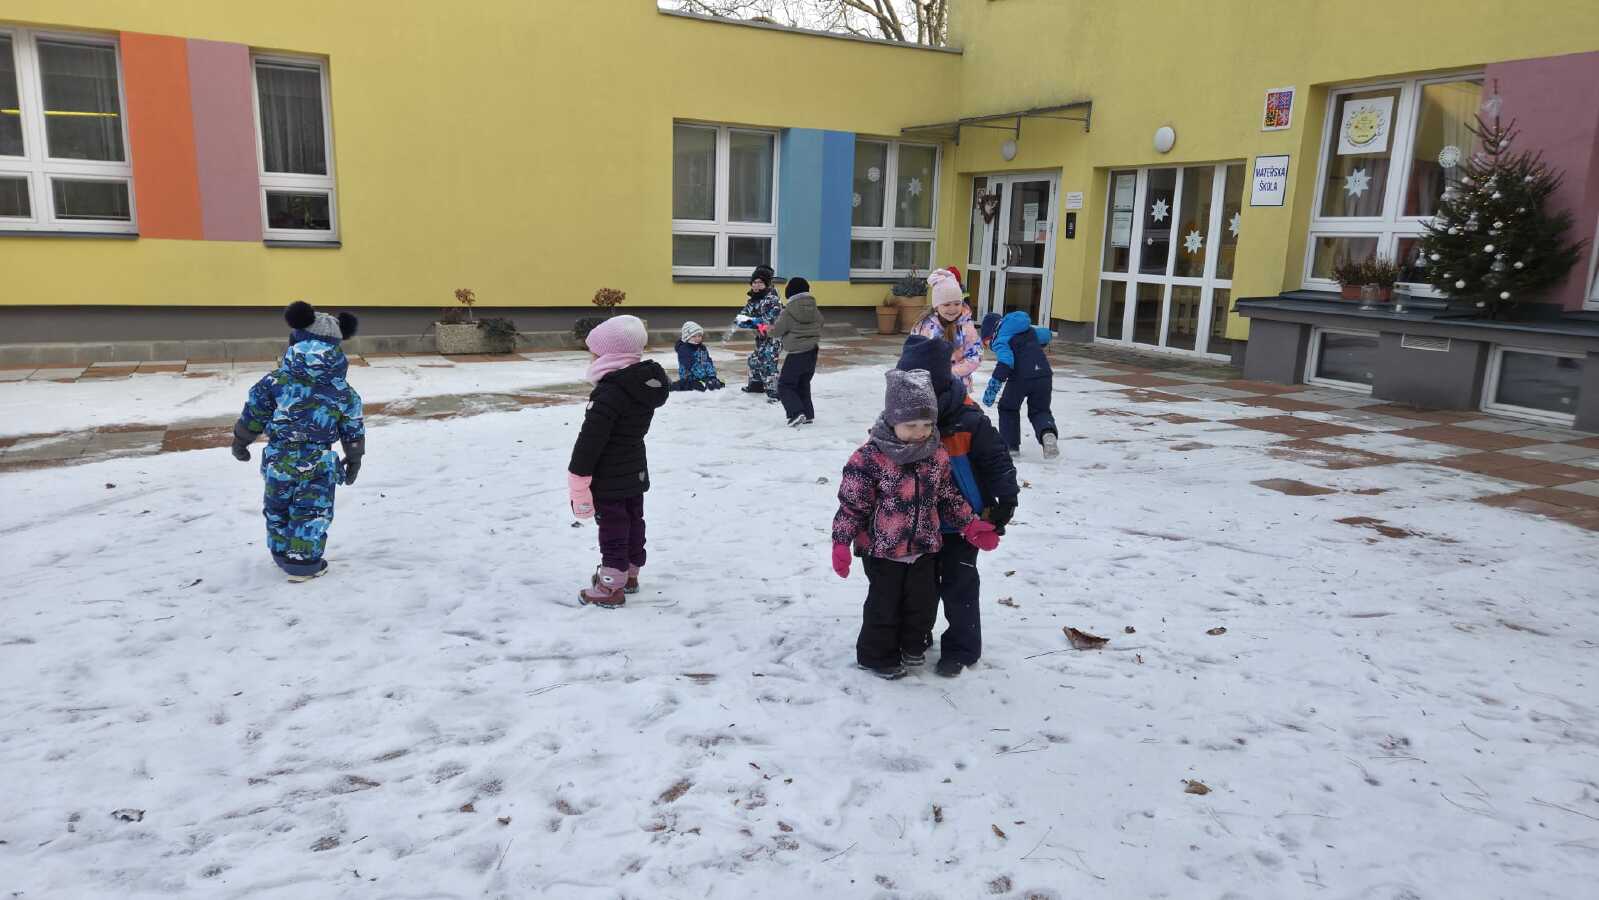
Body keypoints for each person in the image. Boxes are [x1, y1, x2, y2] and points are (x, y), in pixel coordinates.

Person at [830, 369, 1002, 680]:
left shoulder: (935, 454)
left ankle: (913, 646)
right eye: (911, 425)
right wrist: (841, 542)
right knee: (884, 607)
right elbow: (852, 505)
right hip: (882, 551)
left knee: (922, 606)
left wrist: (971, 525)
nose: (920, 432)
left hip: (924, 547)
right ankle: (877, 656)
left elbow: (947, 496)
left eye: (927, 425)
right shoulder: (869, 459)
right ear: (892, 420)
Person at [896, 335, 1019, 677]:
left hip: (962, 524)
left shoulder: (968, 419)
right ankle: (916, 637)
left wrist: (1006, 499)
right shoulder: (899, 417)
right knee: (919, 588)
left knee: (959, 584)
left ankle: (962, 648)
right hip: (917, 523)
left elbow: (996, 460)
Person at [230, 301, 365, 582]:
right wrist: (354, 458)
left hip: (279, 459)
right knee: (311, 512)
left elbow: (255, 412)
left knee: (277, 507)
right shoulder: (343, 391)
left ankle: (281, 553)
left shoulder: (274, 382)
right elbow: (352, 425)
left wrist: (241, 441)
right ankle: (303, 563)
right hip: (318, 462)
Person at [568, 315, 670, 607]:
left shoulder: (610, 392)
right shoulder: (640, 385)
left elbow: (590, 441)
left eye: (595, 353)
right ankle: (630, 573)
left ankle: (611, 586)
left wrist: (578, 476)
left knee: (613, 527)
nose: (592, 358)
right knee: (633, 520)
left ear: (610, 355)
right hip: (634, 467)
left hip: (609, 473)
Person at [980, 311, 1059, 458]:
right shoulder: (1027, 330)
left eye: (986, 342)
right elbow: (1046, 335)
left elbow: (1006, 363)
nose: (989, 347)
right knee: (1040, 410)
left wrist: (993, 388)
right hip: (1044, 375)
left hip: (1020, 378)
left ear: (991, 334)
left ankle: (1011, 447)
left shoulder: (1000, 339)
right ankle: (1047, 433)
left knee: (1008, 408)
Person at [910, 267, 983, 394]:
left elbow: (975, 356)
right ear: (936, 306)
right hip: (930, 387)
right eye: (947, 304)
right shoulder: (924, 326)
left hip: (958, 388)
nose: (952, 309)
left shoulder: (966, 327)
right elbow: (914, 354)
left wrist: (950, 373)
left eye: (957, 303)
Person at [769, 275, 823, 426]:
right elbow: (821, 322)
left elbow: (776, 331)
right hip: (812, 351)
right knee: (803, 383)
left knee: (785, 384)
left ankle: (796, 413)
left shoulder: (788, 311)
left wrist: (765, 328)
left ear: (790, 292)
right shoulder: (814, 309)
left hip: (797, 354)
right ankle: (807, 414)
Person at [734, 264, 784, 400]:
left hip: (775, 337)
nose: (756, 285)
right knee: (754, 360)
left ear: (766, 284)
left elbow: (768, 321)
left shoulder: (772, 299)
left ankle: (774, 391)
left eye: (760, 283)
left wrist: (752, 321)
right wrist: (748, 321)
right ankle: (756, 386)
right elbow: (741, 318)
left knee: (768, 360)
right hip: (762, 337)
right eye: (754, 282)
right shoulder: (754, 300)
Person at [672, 321, 724, 392]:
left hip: (702, 376)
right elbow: (692, 366)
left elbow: (707, 362)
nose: (697, 338)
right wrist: (705, 378)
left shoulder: (702, 348)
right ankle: (673, 386)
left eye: (699, 336)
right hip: (689, 378)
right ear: (687, 337)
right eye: (694, 336)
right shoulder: (684, 350)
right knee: (700, 387)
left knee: (718, 384)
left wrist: (712, 376)